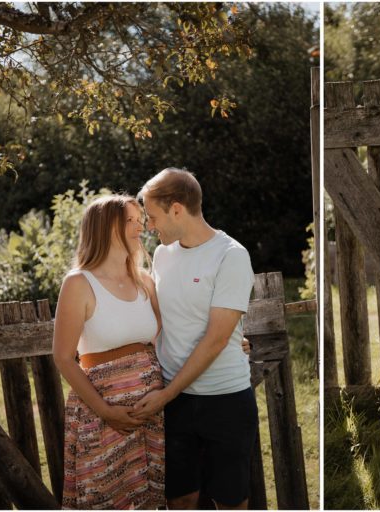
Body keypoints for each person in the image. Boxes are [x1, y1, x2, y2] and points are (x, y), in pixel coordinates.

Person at [131, 168, 256, 510]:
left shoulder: (231, 255)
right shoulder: (162, 255)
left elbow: (216, 339)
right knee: (180, 498)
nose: (150, 227)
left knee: (230, 501)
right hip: (176, 402)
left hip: (225, 399)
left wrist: (165, 395)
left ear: (176, 208)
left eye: (153, 216)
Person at [53, 194, 166, 510]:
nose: (139, 228)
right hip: (104, 417)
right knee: (108, 496)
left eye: (140, 221)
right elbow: (63, 357)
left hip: (152, 415)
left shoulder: (145, 281)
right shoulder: (79, 283)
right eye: (129, 221)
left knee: (152, 499)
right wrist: (106, 411)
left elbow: (168, 339)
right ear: (103, 228)